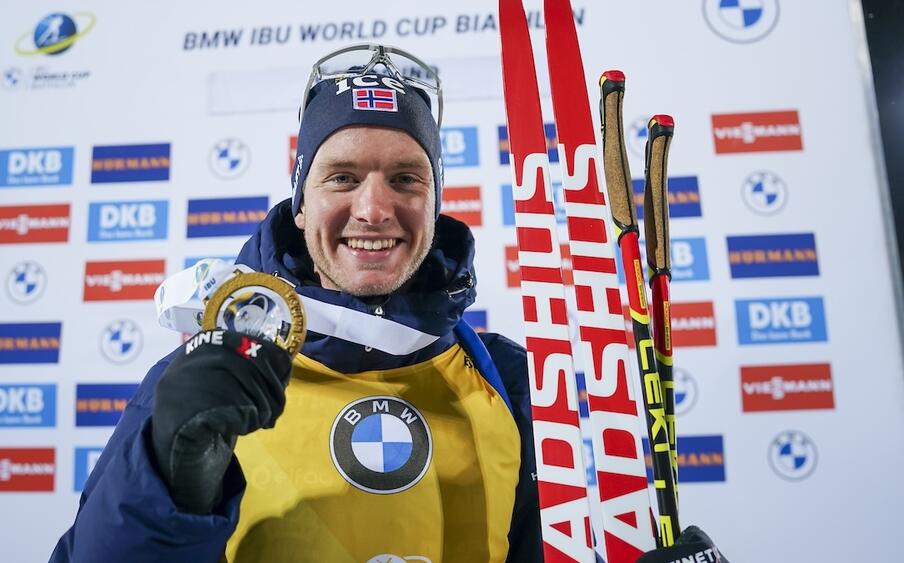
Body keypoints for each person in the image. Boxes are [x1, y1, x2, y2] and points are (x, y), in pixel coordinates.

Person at [49, 44, 725, 563]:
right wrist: (163, 473)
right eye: (342, 177)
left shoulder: (514, 382)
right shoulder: (216, 371)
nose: (374, 208)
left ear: (435, 201)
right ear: (301, 199)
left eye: (406, 178)